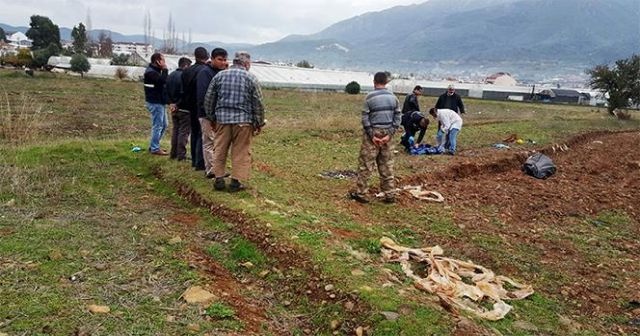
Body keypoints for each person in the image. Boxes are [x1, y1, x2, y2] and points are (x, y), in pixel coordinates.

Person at [204, 51, 265, 192]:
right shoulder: (251, 78)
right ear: (246, 63)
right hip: (243, 122)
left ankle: (218, 179)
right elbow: (258, 103)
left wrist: (212, 118)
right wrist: (259, 122)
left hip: (222, 120)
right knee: (241, 152)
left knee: (219, 149)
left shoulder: (219, 76)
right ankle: (235, 182)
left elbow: (209, 99)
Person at [349, 72, 401, 204]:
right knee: (387, 165)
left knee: (366, 165)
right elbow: (398, 117)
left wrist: (372, 135)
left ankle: (361, 194)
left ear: (374, 81)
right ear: (386, 82)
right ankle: (389, 195)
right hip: (388, 135)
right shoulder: (394, 98)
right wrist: (389, 134)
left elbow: (365, 117)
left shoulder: (369, 97)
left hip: (372, 134)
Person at [196, 48, 229, 178]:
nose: (223, 62)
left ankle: (216, 168)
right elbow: (203, 96)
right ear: (212, 59)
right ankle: (211, 170)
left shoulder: (220, 72)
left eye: (225, 59)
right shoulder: (205, 73)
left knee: (216, 142)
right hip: (207, 114)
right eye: (220, 59)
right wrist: (209, 115)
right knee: (209, 141)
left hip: (217, 114)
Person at [181, 47, 209, 171]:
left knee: (194, 132)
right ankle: (200, 162)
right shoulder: (205, 71)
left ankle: (193, 159)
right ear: (207, 56)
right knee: (201, 134)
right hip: (199, 105)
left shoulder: (187, 71)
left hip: (189, 105)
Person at [166, 57, 192, 160]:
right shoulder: (184, 77)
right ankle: (181, 155)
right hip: (184, 109)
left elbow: (166, 91)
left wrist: (171, 103)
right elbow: (184, 93)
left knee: (175, 130)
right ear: (186, 65)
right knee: (183, 132)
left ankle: (173, 153)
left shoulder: (171, 75)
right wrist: (178, 103)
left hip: (173, 109)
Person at [143, 52, 169, 155]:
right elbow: (163, 81)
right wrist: (165, 69)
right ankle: (154, 148)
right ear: (157, 61)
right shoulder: (151, 73)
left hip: (160, 102)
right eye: (163, 60)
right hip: (155, 102)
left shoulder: (155, 71)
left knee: (164, 124)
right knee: (158, 125)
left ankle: (154, 145)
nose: (164, 62)